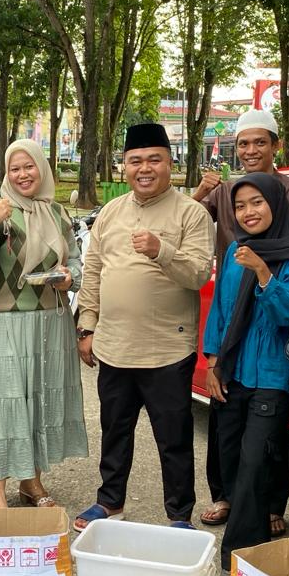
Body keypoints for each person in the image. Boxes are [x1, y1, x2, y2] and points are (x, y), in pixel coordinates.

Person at [73, 122, 215, 531]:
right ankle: (110, 501)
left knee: (173, 437)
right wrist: (87, 326)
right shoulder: (112, 212)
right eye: (135, 160)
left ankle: (179, 514)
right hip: (114, 345)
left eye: (154, 159)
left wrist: (161, 249)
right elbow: (94, 270)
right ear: (124, 166)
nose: (144, 168)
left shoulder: (191, 212)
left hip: (167, 350)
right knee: (115, 430)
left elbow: (198, 273)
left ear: (171, 164)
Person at [192, 107, 289, 532]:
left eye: (259, 142)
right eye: (243, 143)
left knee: (264, 443)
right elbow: (189, 222)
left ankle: (267, 507)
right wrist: (213, 359)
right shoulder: (224, 193)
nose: (250, 150)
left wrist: (266, 270)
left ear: (275, 145)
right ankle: (228, 497)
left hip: (270, 330)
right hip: (234, 331)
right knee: (228, 434)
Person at [202, 174, 289, 576]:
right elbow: (222, 312)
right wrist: (213, 362)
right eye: (241, 205)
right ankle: (260, 518)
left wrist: (265, 273)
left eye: (257, 203)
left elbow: (288, 314)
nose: (248, 212)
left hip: (270, 375)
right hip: (232, 371)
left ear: (276, 205)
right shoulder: (234, 250)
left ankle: (241, 559)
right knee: (231, 456)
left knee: (253, 462)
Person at [0, 139, 86, 510]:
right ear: (5, 172)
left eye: (29, 166)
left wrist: (68, 277)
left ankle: (32, 481)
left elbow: (78, 263)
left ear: (42, 168)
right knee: (7, 402)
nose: (22, 175)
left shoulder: (58, 213)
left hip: (51, 320)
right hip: (7, 320)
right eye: (14, 168)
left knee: (40, 397)